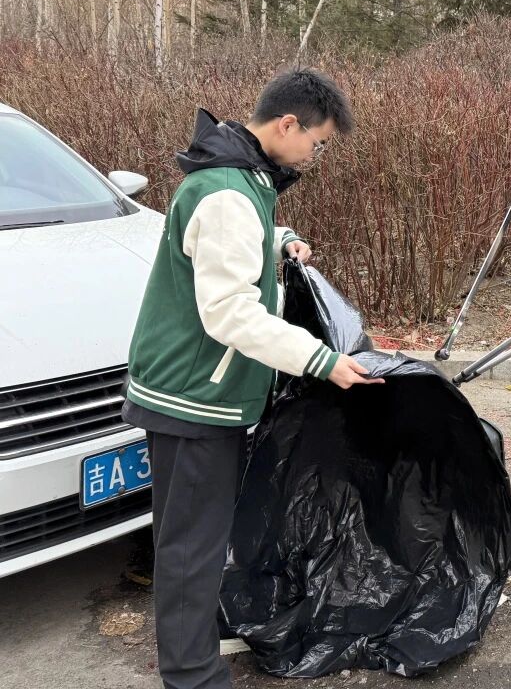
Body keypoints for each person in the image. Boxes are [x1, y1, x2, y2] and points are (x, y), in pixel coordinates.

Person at [122, 68, 380, 689]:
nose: (315, 155)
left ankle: (195, 644)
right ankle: (192, 673)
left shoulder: (240, 182)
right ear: (287, 125)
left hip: (202, 392)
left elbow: (230, 247)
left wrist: (279, 239)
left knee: (202, 535)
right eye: (316, 142)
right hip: (192, 397)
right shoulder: (228, 194)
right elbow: (230, 312)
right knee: (190, 546)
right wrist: (320, 359)